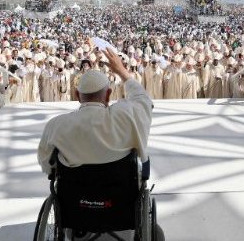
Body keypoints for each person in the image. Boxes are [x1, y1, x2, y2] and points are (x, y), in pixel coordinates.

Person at [37, 47, 162, 240]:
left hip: (75, 205)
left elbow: (47, 164)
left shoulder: (57, 125)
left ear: (78, 96)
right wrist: (122, 71)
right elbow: (143, 99)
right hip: (121, 203)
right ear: (109, 94)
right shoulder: (126, 116)